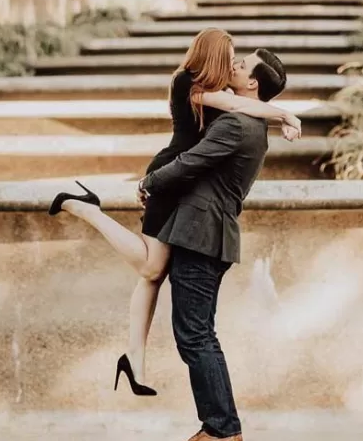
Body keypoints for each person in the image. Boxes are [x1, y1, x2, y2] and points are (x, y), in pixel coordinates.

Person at [47, 29, 300, 395]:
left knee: (152, 274)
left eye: (239, 62)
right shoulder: (189, 83)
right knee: (151, 268)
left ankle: (135, 361)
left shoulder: (221, 93)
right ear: (211, 54)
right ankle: (88, 209)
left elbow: (244, 105)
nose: (233, 62)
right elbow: (239, 106)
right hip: (169, 174)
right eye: (230, 56)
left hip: (179, 185)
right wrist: (286, 114)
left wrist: (283, 117)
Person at [136, 48, 286, 441]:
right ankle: (220, 427)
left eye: (241, 65)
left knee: (195, 334)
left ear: (252, 83)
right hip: (207, 235)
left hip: (202, 235)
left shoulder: (237, 125)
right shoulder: (250, 123)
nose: (233, 66)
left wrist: (148, 182)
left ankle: (222, 430)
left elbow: (190, 162)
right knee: (198, 332)